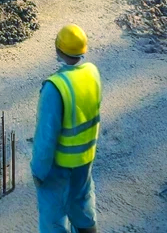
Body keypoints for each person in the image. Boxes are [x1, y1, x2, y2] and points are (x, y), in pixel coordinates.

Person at [33, 25, 102, 233]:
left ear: (58, 50)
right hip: (85, 157)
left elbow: (46, 136)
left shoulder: (55, 87)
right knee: (82, 199)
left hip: (59, 163)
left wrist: (39, 170)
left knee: (52, 212)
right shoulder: (92, 73)